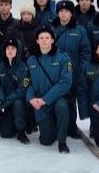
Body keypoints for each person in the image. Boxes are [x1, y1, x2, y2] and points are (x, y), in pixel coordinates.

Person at [26, 25, 73, 153]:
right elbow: (27, 82)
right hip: (39, 102)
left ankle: (62, 141)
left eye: (47, 37)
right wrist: (31, 98)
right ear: (37, 41)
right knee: (46, 141)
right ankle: (52, 126)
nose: (44, 40)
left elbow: (66, 82)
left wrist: (45, 99)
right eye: (41, 38)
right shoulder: (31, 60)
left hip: (57, 99)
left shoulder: (63, 58)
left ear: (53, 40)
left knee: (62, 107)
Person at [52, 0, 91, 138]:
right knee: (57, 99)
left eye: (66, 11)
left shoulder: (80, 30)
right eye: (61, 12)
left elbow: (86, 51)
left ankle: (72, 127)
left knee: (71, 101)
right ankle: (56, 126)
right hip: (54, 73)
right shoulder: (52, 29)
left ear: (71, 14)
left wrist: (80, 68)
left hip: (74, 72)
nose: (63, 14)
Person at [0, 37, 32, 144]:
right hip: (8, 104)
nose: (10, 51)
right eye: (8, 48)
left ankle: (21, 131)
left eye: (13, 49)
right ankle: (7, 122)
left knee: (18, 103)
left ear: (18, 51)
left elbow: (21, 91)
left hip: (19, 103)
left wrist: (5, 101)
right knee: (5, 134)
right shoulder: (0, 66)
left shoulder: (23, 68)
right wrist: (0, 99)